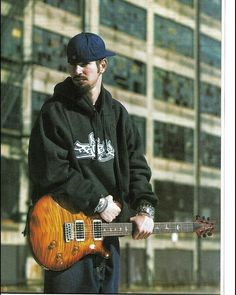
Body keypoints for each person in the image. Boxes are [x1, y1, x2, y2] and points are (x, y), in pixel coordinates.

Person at [28, 32, 158, 294]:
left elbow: (137, 167)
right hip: (64, 234)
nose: (77, 70)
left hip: (107, 238)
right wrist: (98, 202)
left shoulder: (118, 115)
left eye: (84, 64)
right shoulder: (54, 112)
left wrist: (145, 209)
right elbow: (50, 170)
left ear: (102, 66)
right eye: (72, 64)